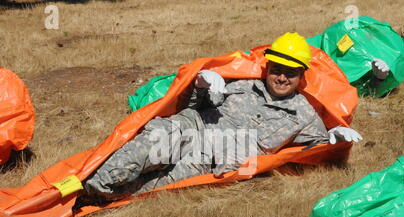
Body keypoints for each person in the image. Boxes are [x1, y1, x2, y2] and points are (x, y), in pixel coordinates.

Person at [77, 32, 362, 205]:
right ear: (267, 68)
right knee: (138, 154)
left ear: (301, 76)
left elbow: (314, 156)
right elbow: (189, 106)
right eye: (277, 69)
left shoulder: (304, 115)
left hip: (214, 159)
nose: (282, 77)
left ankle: (90, 199)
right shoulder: (239, 83)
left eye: (291, 73)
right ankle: (84, 185)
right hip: (192, 128)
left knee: (149, 189)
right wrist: (199, 86)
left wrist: (335, 144)